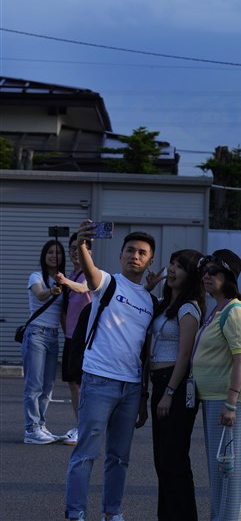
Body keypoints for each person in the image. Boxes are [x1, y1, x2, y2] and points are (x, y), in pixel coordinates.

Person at [65, 223, 159, 521]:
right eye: (130, 250)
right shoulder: (108, 282)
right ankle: (76, 513)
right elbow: (91, 273)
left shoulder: (151, 301)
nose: (135, 255)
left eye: (142, 252)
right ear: (120, 255)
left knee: (119, 458)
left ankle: (112, 512)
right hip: (98, 380)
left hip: (130, 388)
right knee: (85, 454)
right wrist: (81, 245)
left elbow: (145, 351)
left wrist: (143, 395)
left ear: (149, 261)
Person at [192, 249, 241, 521]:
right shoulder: (218, 309)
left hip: (228, 403)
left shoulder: (235, 312)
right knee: (222, 472)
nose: (207, 276)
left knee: (229, 473)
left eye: (214, 271)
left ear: (228, 277)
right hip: (215, 400)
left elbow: (240, 360)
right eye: (205, 271)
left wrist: (230, 403)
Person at [147, 249, 204, 521]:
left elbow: (185, 355)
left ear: (191, 275)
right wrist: (147, 288)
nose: (171, 270)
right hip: (159, 385)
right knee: (162, 461)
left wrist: (169, 392)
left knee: (174, 460)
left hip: (176, 388)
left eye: (179, 267)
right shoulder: (164, 303)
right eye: (171, 263)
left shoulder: (188, 307)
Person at [23, 238, 67, 444]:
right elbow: (40, 295)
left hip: (53, 336)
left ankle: (40, 425)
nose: (53, 256)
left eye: (57, 253)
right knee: (34, 385)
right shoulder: (36, 276)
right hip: (36, 334)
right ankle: (31, 429)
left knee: (48, 386)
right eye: (50, 252)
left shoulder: (62, 279)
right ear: (44, 255)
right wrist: (52, 290)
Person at [55, 231, 93, 446]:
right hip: (71, 337)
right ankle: (79, 425)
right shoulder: (72, 273)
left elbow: (83, 289)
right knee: (72, 383)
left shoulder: (90, 273)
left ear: (89, 251)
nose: (75, 252)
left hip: (84, 338)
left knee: (80, 384)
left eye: (81, 248)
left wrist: (66, 282)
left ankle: (83, 428)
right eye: (73, 249)